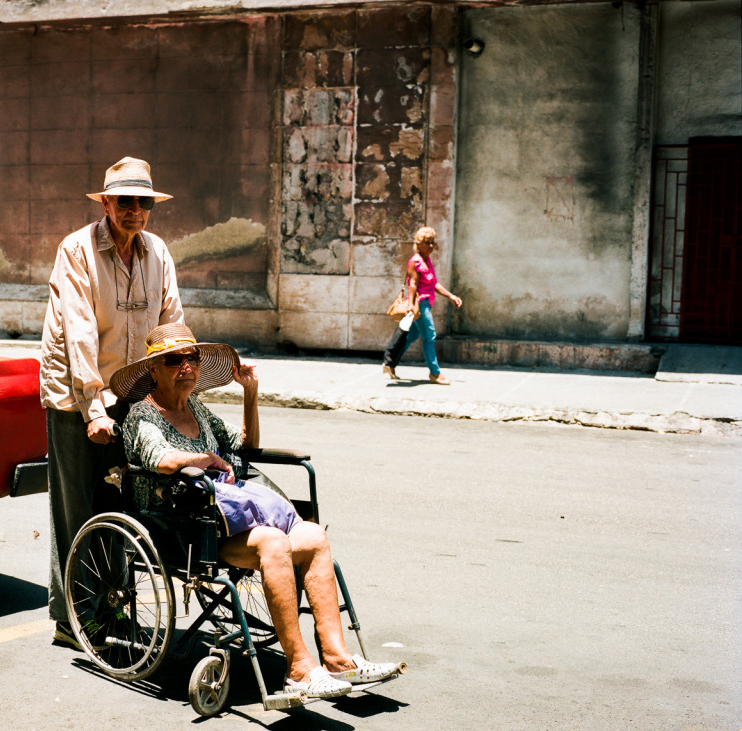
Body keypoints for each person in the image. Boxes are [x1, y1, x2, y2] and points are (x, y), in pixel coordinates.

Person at [112, 323, 405, 700]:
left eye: (192, 357)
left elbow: (247, 443)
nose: (185, 365)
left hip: (224, 514)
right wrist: (205, 458)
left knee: (314, 536)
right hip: (183, 527)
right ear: (153, 369)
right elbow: (162, 459)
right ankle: (300, 668)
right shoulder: (142, 415)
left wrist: (250, 393)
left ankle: (337, 658)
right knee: (273, 542)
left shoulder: (198, 408)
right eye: (173, 360)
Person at [40, 157, 184, 650]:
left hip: (131, 393)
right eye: (126, 201)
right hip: (75, 397)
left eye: (144, 202)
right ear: (106, 203)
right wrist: (93, 408)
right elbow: (76, 331)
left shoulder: (157, 252)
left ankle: (114, 611)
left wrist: (177, 393)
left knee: (126, 504)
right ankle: (73, 618)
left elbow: (170, 325)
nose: (135, 211)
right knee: (77, 505)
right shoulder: (77, 249)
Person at [383, 226, 462, 384]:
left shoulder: (427, 261)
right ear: (418, 244)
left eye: (432, 242)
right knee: (429, 336)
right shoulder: (415, 262)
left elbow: (434, 284)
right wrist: (411, 304)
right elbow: (412, 284)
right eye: (427, 242)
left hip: (425, 303)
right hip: (420, 304)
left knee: (412, 335)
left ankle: (390, 363)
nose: (431, 246)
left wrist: (450, 296)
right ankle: (435, 373)